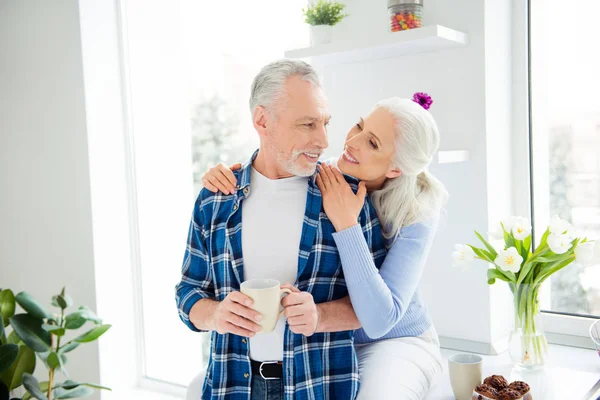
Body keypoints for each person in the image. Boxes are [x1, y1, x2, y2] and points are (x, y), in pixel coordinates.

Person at [202, 93, 448, 399]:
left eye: (372, 143)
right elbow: (269, 172)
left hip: (393, 339)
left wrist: (347, 225)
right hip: (326, 338)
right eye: (359, 126)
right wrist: (226, 177)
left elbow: (379, 322)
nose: (353, 142)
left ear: (396, 169)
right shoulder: (325, 174)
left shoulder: (418, 211)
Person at [175, 59, 386, 400]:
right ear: (262, 120)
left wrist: (319, 315)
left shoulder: (347, 199)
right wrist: (216, 314)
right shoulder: (215, 200)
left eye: (325, 124)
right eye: (307, 124)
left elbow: (374, 307)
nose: (322, 140)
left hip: (320, 386)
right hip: (234, 387)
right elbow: (187, 293)